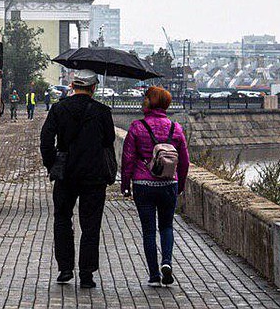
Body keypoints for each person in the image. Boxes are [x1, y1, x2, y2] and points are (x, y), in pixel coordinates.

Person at [40, 74, 116, 290]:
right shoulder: (102, 111)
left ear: (72, 86)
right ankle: (86, 273)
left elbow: (46, 139)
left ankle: (65, 269)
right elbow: (109, 140)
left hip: (66, 173)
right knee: (91, 224)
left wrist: (52, 163)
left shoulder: (59, 108)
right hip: (94, 175)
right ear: (93, 88)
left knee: (62, 218)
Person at [121, 85, 190, 288]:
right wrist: (180, 184)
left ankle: (153, 275)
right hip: (169, 183)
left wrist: (126, 184)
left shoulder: (137, 126)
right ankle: (166, 262)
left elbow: (128, 159)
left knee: (149, 231)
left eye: (146, 98)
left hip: (143, 184)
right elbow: (184, 161)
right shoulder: (175, 128)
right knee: (167, 226)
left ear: (150, 101)